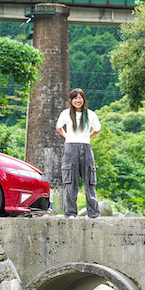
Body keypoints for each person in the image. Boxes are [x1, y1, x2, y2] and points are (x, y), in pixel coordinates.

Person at [56, 88, 102, 218]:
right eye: (75, 98)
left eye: (80, 97)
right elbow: (58, 127)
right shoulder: (65, 114)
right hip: (70, 148)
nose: (78, 100)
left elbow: (98, 129)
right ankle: (70, 213)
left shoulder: (90, 114)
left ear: (83, 99)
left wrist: (88, 136)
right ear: (71, 100)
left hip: (86, 147)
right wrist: (67, 137)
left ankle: (94, 213)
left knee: (90, 181)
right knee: (70, 181)